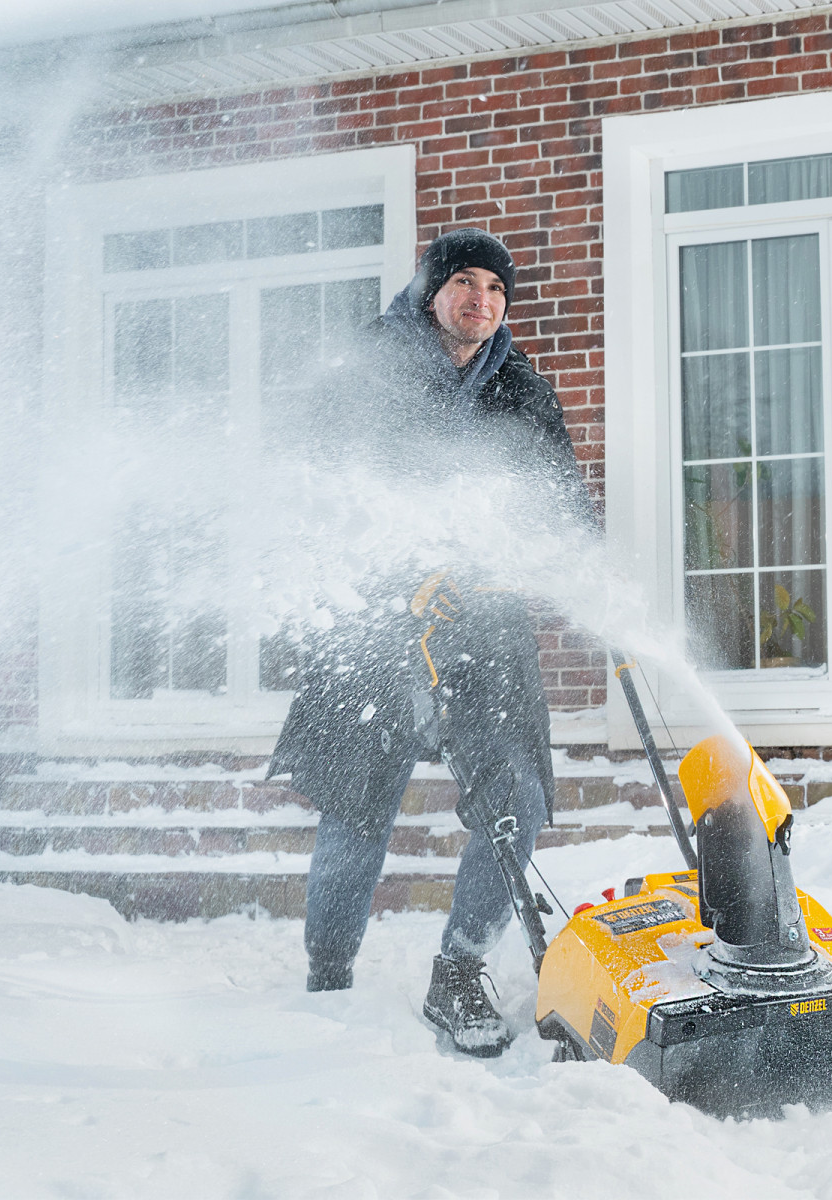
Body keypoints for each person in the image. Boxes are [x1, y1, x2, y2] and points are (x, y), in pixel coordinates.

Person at [267, 228, 593, 1057]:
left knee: (516, 799)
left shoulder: (522, 390)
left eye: (496, 288)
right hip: (377, 627)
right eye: (465, 282)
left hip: (485, 630)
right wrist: (398, 571)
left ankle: (459, 971)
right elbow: (318, 493)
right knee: (356, 805)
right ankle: (328, 980)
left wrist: (555, 563)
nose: (482, 299)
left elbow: (564, 506)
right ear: (431, 291)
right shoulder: (368, 372)